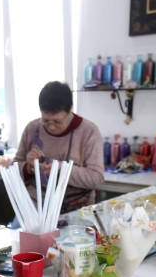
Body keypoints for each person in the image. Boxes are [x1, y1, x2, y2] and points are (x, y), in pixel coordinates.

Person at [14, 81, 104, 214]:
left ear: (70, 109)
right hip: (35, 209)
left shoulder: (88, 132)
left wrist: (63, 169)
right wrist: (28, 168)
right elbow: (12, 171)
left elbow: (96, 179)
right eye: (45, 120)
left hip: (77, 211)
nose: (51, 127)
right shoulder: (32, 129)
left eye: (58, 121)